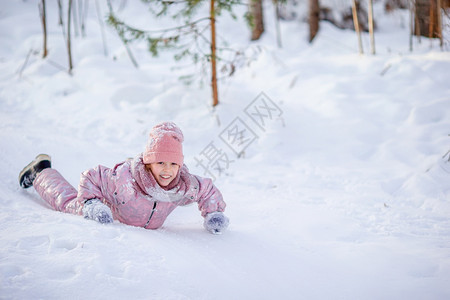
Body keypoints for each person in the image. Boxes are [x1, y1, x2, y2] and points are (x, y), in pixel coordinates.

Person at [18, 122, 229, 234]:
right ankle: (41, 171)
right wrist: (92, 204)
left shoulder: (181, 187)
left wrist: (213, 215)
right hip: (110, 208)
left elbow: (206, 190)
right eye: (160, 163)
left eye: (173, 164)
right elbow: (93, 176)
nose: (167, 170)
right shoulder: (124, 180)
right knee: (67, 203)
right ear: (148, 162)